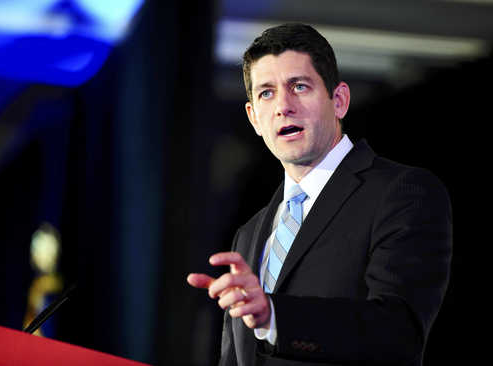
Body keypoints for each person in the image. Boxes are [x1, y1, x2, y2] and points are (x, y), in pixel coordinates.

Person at [187, 23, 452, 366]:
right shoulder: (249, 234)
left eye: (299, 86)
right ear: (254, 118)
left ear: (339, 101)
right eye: (266, 92)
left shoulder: (402, 193)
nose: (283, 105)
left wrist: (274, 316)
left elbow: (397, 332)